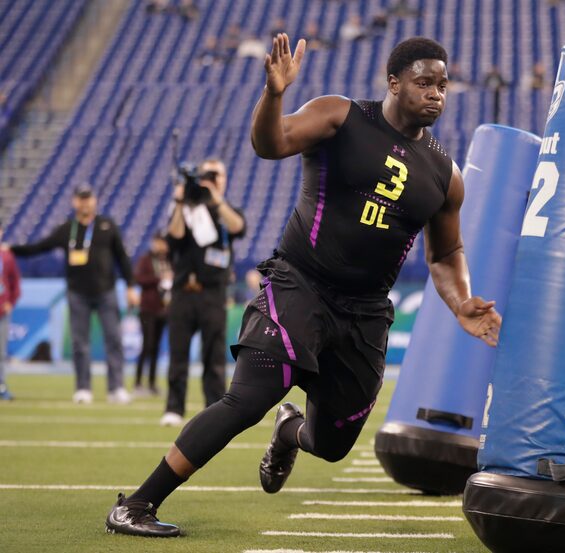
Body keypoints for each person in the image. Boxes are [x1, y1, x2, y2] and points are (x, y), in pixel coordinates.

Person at [105, 34, 501, 538]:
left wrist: (462, 300)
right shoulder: (340, 116)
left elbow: (445, 254)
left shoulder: (446, 175)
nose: (436, 93)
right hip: (300, 286)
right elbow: (269, 144)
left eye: (443, 85)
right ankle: (136, 504)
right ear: (394, 82)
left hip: (365, 314)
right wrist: (274, 95)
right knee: (248, 398)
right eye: (424, 82)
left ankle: (290, 431)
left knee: (333, 444)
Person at [11, 185, 137, 404]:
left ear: (94, 201)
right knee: (80, 343)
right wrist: (11, 249)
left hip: (106, 291)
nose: (85, 202)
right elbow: (40, 247)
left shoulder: (107, 226)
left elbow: (122, 258)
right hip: (78, 293)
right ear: (74, 202)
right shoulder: (66, 229)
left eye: (88, 198)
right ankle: (83, 388)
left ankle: (116, 387)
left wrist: (130, 286)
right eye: (81, 198)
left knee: (114, 340)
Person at [160, 159, 245, 426]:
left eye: (216, 174)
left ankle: (215, 409)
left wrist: (216, 197)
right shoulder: (188, 208)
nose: (211, 178)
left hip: (213, 292)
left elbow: (238, 227)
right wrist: (179, 202)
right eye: (206, 174)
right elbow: (173, 236)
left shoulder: (224, 209)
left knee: (214, 354)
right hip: (184, 292)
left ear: (224, 179)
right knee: (178, 353)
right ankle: (174, 408)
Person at [133, 231, 172, 396]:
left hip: (164, 309)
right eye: (158, 242)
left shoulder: (170, 260)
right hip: (148, 309)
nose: (160, 245)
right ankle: (137, 383)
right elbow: (139, 279)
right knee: (147, 346)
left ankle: (152, 383)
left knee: (156, 348)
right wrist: (159, 278)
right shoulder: (146, 259)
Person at [0, 221, 21, 400]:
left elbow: (16, 284)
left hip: (2, 311)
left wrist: (10, 302)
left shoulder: (7, 256)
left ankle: (0, 386)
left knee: (0, 351)